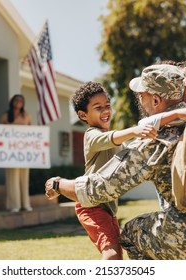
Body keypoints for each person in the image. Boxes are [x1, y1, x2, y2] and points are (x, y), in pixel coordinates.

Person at [45, 64, 186, 260]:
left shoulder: (156, 140)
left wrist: (57, 183)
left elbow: (97, 190)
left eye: (142, 96)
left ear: (156, 100)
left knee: (130, 234)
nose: (139, 100)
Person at [71, 81, 158, 260]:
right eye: (98, 107)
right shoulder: (91, 135)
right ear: (83, 115)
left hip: (108, 208)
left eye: (107, 105)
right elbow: (110, 138)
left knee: (116, 253)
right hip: (91, 205)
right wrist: (136, 130)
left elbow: (130, 151)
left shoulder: (115, 141)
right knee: (112, 254)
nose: (105, 110)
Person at [0, 94, 33, 212]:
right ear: (12, 102)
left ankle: (25, 204)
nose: (18, 102)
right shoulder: (5, 116)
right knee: (12, 178)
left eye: (21, 100)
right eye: (16, 100)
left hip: (24, 153)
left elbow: (32, 133)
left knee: (24, 178)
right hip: (10, 153)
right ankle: (14, 205)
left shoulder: (26, 116)